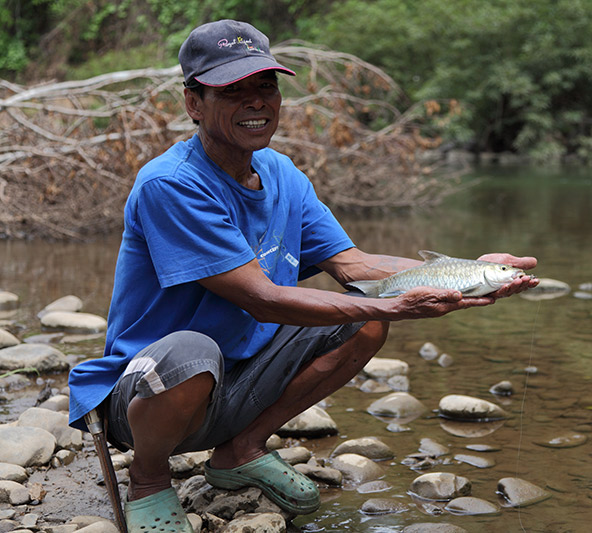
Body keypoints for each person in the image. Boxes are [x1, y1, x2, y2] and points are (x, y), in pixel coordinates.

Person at [68, 19, 538, 533]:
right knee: (190, 352)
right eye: (233, 91)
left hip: (240, 375)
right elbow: (263, 300)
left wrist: (469, 272)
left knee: (363, 322)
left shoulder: (282, 174)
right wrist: (389, 304)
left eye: (265, 87)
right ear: (193, 104)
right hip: (149, 394)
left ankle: (240, 450)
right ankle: (149, 480)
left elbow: (355, 266)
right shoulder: (172, 184)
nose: (256, 102)